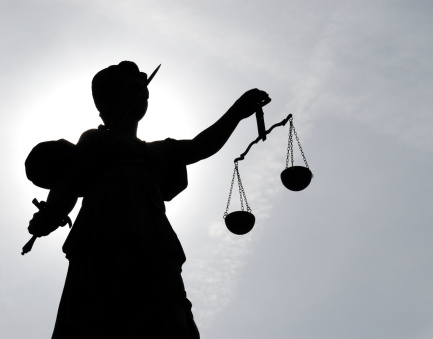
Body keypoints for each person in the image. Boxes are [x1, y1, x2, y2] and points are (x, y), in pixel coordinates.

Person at [27, 61, 270, 338]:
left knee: (172, 317)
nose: (144, 93)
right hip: (105, 232)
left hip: (153, 237)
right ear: (111, 98)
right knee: (95, 318)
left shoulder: (157, 151)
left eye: (144, 88)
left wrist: (237, 112)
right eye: (134, 87)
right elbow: (71, 178)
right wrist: (51, 212)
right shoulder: (95, 138)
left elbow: (201, 146)